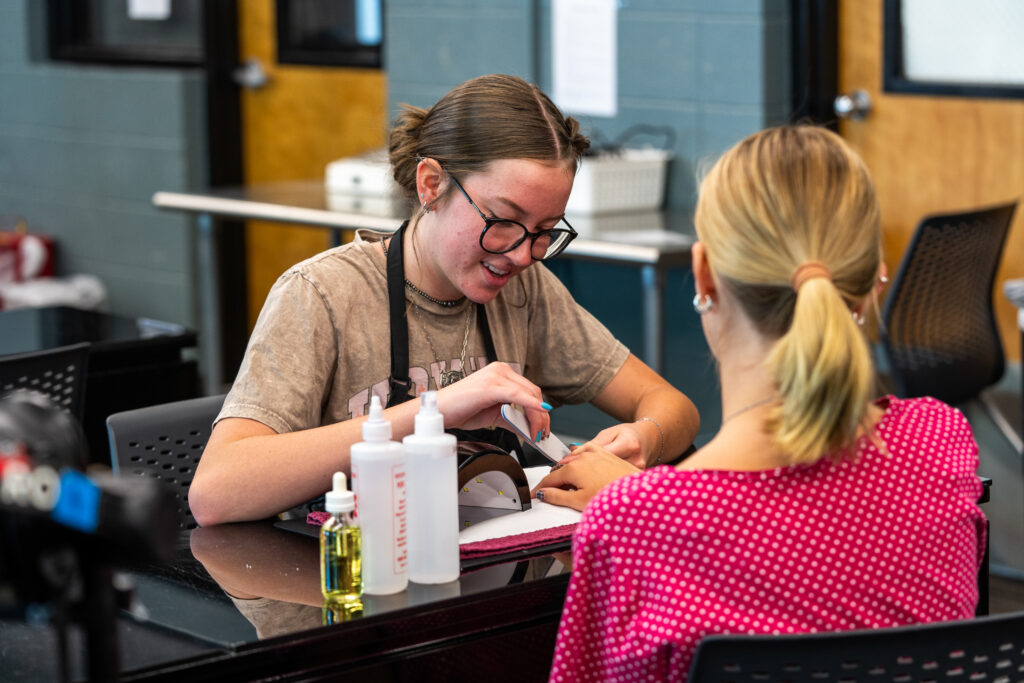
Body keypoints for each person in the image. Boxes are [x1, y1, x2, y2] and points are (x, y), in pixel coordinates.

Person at [538, 125, 987, 681]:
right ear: (874, 280)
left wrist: (628, 519)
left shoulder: (635, 524)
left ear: (703, 273)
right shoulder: (940, 438)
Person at [189, 74, 700, 526]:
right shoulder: (322, 296)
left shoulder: (524, 291)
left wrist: (644, 439)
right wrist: (437, 410)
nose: (523, 254)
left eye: (545, 231)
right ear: (431, 184)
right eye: (503, 221)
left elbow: (672, 406)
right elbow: (215, 492)